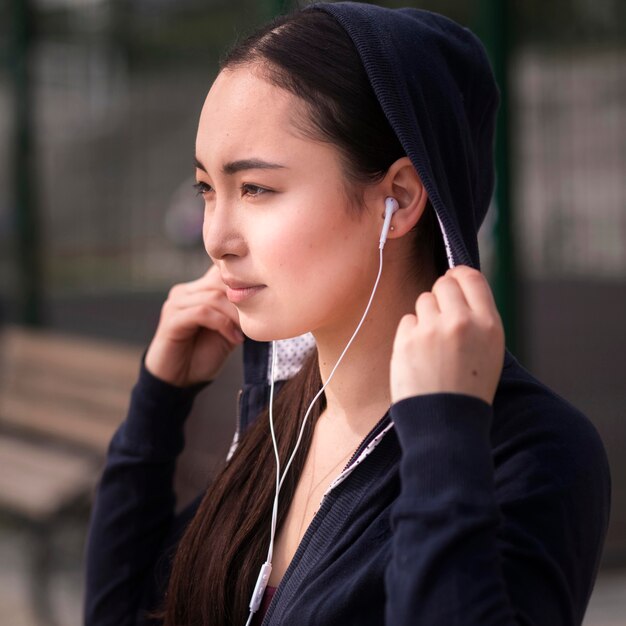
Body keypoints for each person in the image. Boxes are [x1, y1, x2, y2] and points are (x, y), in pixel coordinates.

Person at [83, 3, 611, 626]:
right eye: (207, 190)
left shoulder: (531, 451)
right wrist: (157, 405)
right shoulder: (286, 422)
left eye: (255, 188)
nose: (216, 236)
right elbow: (121, 613)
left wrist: (442, 437)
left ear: (400, 197)